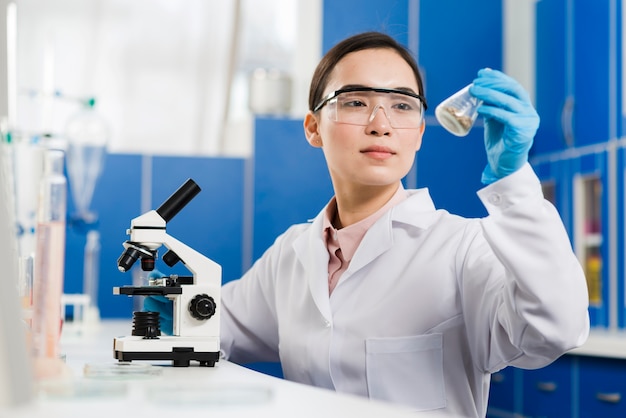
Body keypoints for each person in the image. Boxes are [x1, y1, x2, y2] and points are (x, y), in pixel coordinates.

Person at [146, 31, 590, 417]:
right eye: (356, 101)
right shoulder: (293, 252)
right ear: (313, 127)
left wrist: (513, 182)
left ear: (418, 132)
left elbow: (557, 327)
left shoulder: (462, 248)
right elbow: (217, 324)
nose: (381, 125)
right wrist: (169, 307)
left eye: (401, 105)